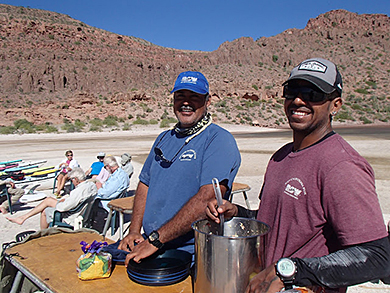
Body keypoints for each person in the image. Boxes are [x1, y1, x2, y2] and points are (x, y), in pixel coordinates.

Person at [206, 58, 390, 293]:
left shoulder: (342, 165)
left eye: (313, 93)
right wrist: (237, 212)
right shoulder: (280, 157)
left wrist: (292, 270)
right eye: (291, 91)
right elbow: (282, 221)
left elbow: (376, 257)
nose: (298, 100)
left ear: (335, 105)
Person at [118, 71, 241, 264]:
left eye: (194, 97)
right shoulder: (163, 138)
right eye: (180, 97)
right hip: (150, 245)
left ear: (207, 102)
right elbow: (144, 184)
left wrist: (156, 240)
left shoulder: (218, 140)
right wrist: (134, 231)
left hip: (192, 255)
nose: (186, 102)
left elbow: (207, 199)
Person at [7, 167, 97, 229]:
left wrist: (61, 202)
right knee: (48, 201)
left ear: (76, 179)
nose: (72, 182)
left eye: (71, 180)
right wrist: (65, 200)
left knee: (45, 209)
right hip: (81, 212)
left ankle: (42, 233)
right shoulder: (91, 185)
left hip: (72, 216)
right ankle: (23, 218)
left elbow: (63, 208)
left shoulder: (78, 191)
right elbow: (75, 201)